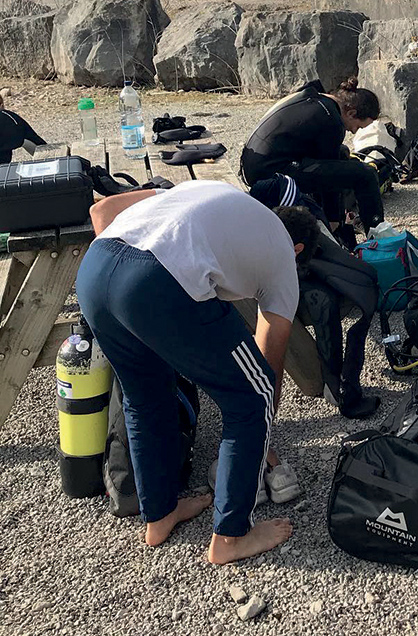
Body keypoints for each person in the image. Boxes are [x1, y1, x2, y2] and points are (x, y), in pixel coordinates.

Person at [76, 180, 320, 563]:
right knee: (249, 398)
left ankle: (158, 515)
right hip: (156, 279)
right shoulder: (283, 261)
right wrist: (260, 433)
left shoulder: (213, 190)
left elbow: (101, 212)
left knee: (145, 397)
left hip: (96, 269)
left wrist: (126, 297)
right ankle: (231, 537)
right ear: (297, 250)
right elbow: (266, 367)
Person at [248, 173, 382, 419]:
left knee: (320, 295)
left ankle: (329, 382)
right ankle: (266, 412)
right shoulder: (259, 246)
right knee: (320, 300)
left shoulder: (271, 224)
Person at [240, 77, 385, 246]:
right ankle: (379, 238)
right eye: (358, 127)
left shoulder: (314, 97)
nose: (353, 131)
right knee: (365, 174)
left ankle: (342, 229)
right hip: (270, 173)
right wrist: (332, 218)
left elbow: (331, 161)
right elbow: (330, 181)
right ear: (351, 113)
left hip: (257, 164)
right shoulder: (332, 122)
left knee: (342, 152)